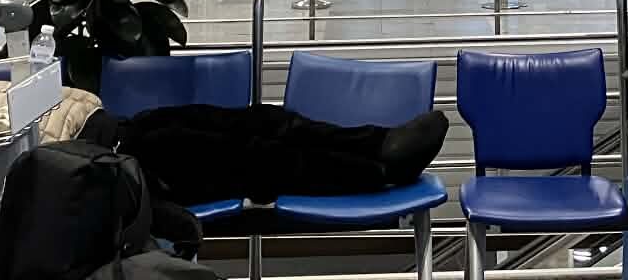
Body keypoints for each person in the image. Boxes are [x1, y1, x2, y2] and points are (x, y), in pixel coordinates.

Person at [81, 103, 449, 207]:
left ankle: (379, 143)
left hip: (117, 126)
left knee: (261, 118)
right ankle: (377, 170)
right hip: (103, 162)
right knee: (248, 155)